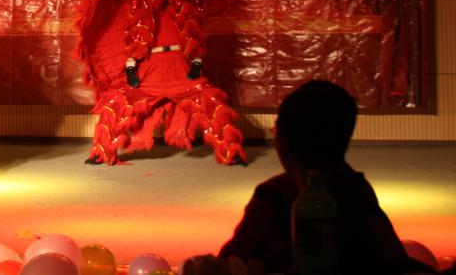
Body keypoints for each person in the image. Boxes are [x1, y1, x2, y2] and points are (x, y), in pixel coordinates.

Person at [184, 79, 442, 275]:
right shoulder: (356, 190)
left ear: (281, 142)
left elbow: (231, 261)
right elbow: (392, 259)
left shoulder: (274, 197)